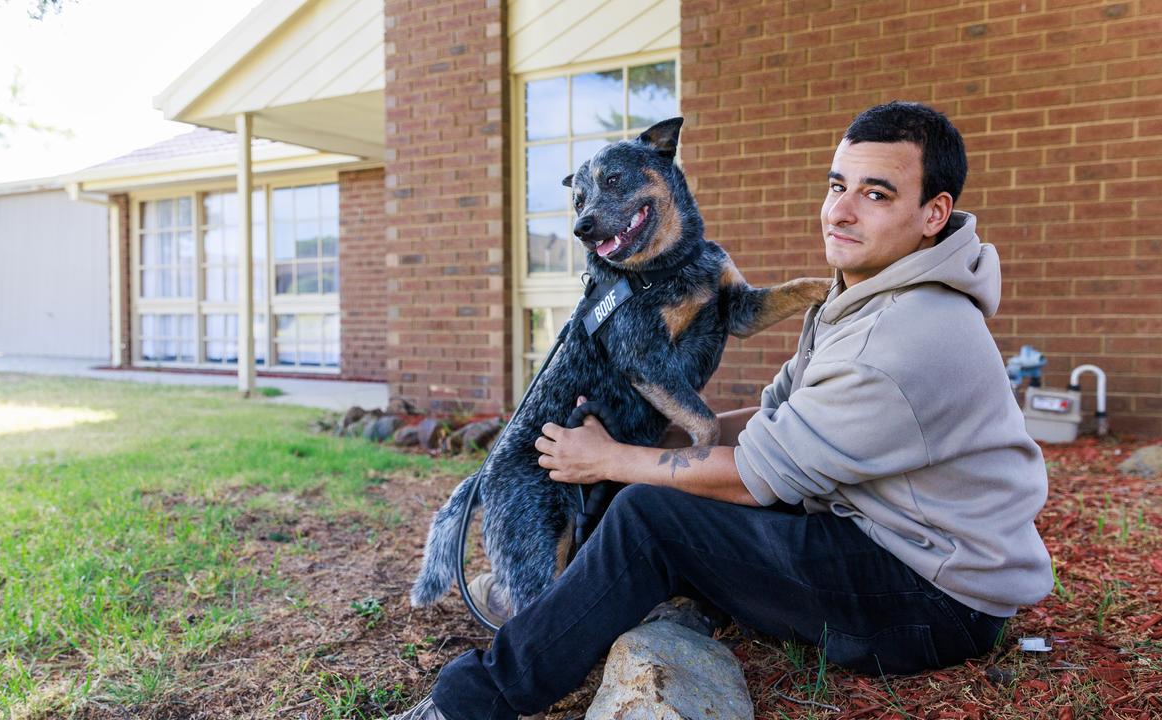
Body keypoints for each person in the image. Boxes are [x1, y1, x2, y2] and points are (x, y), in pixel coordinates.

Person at [387, 101, 1054, 720]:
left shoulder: (899, 336)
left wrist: (617, 458)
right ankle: (586, 599)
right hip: (891, 540)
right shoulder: (871, 296)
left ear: (933, 213)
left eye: (875, 194)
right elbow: (775, 423)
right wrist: (648, 442)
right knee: (655, 478)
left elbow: (753, 475)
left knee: (655, 510)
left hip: (928, 600)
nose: (841, 212)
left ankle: (477, 698)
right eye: (836, 185)